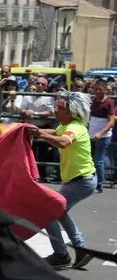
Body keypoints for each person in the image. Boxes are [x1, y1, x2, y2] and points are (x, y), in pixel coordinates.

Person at [25, 92, 96, 269]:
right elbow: (54, 132)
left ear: (72, 111)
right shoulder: (66, 125)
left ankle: (62, 254)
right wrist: (34, 130)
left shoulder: (75, 128)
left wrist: (39, 134)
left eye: (61, 108)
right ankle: (79, 249)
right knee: (59, 213)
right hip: (77, 181)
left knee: (50, 212)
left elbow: (63, 142)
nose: (56, 111)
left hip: (82, 181)